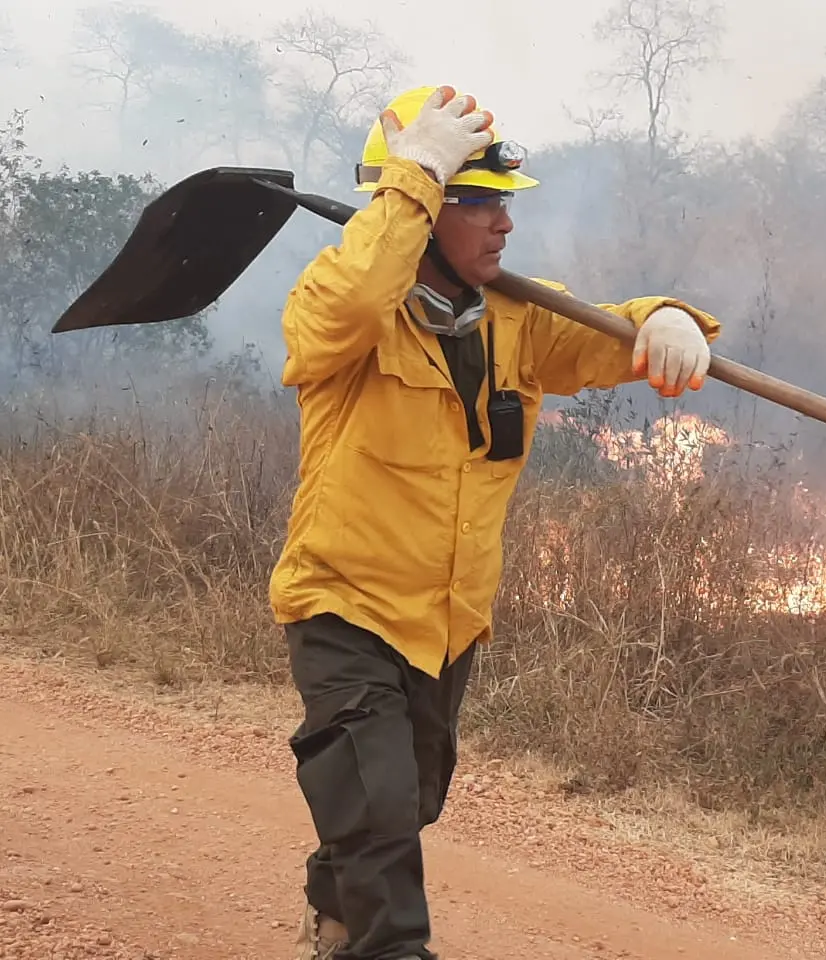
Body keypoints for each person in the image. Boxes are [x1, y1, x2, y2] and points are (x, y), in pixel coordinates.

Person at [269, 84, 722, 960]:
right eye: (476, 202)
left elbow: (606, 339)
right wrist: (414, 179)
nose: (502, 224)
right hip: (345, 608)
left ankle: (335, 915)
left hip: (447, 622)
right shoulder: (342, 313)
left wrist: (666, 319)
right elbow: (352, 302)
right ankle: (380, 941)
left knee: (403, 802)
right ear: (427, 205)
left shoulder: (516, 315)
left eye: (504, 203)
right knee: (380, 815)